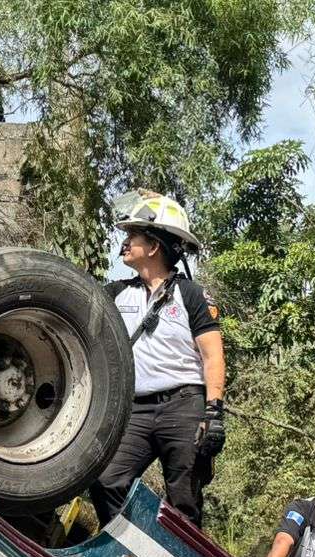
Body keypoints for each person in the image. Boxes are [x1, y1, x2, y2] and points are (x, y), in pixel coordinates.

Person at [88, 192, 225, 527]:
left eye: (132, 236)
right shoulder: (118, 293)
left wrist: (214, 411)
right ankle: (135, 549)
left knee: (184, 499)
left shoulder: (191, 295)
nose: (124, 243)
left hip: (184, 405)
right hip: (135, 408)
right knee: (106, 479)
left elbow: (213, 356)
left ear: (153, 247)